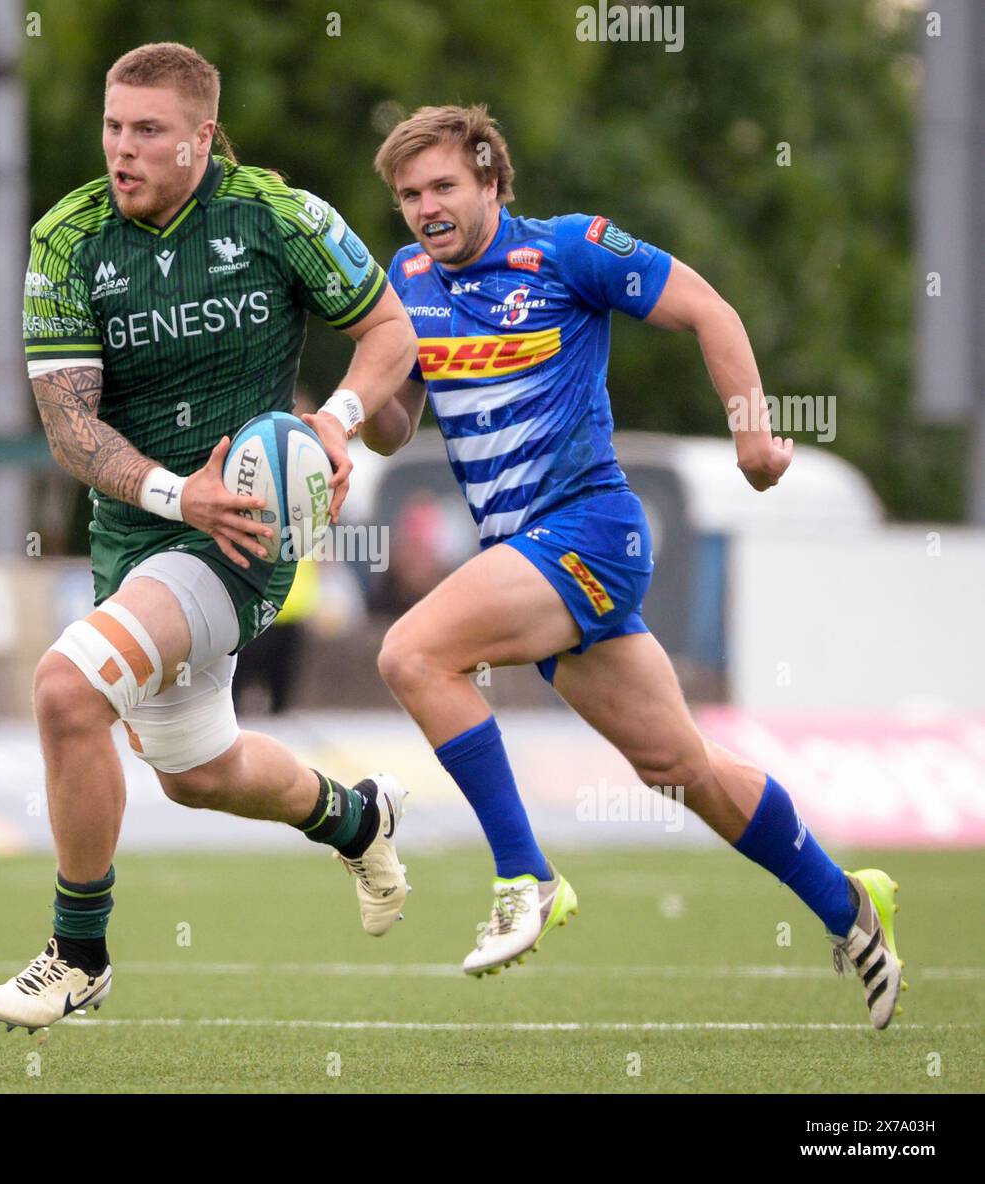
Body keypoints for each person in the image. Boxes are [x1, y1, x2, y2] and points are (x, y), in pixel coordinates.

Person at [362, 104, 905, 1028]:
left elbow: (709, 309)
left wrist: (755, 435)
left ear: (492, 180)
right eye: (410, 195)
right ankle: (849, 906)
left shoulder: (572, 250)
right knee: (677, 764)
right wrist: (357, 405)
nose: (425, 209)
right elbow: (395, 430)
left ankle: (526, 876)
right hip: (523, 558)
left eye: (444, 186)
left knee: (413, 655)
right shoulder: (407, 280)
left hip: (589, 532)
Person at [0, 43, 418, 1033]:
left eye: (146, 131)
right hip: (146, 529)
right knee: (195, 771)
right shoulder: (65, 240)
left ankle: (77, 957)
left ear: (201, 138)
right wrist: (183, 493)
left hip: (243, 540)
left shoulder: (276, 215)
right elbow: (70, 431)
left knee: (65, 688)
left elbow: (388, 329)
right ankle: (359, 817)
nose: (120, 150)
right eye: (111, 126)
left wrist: (335, 422)